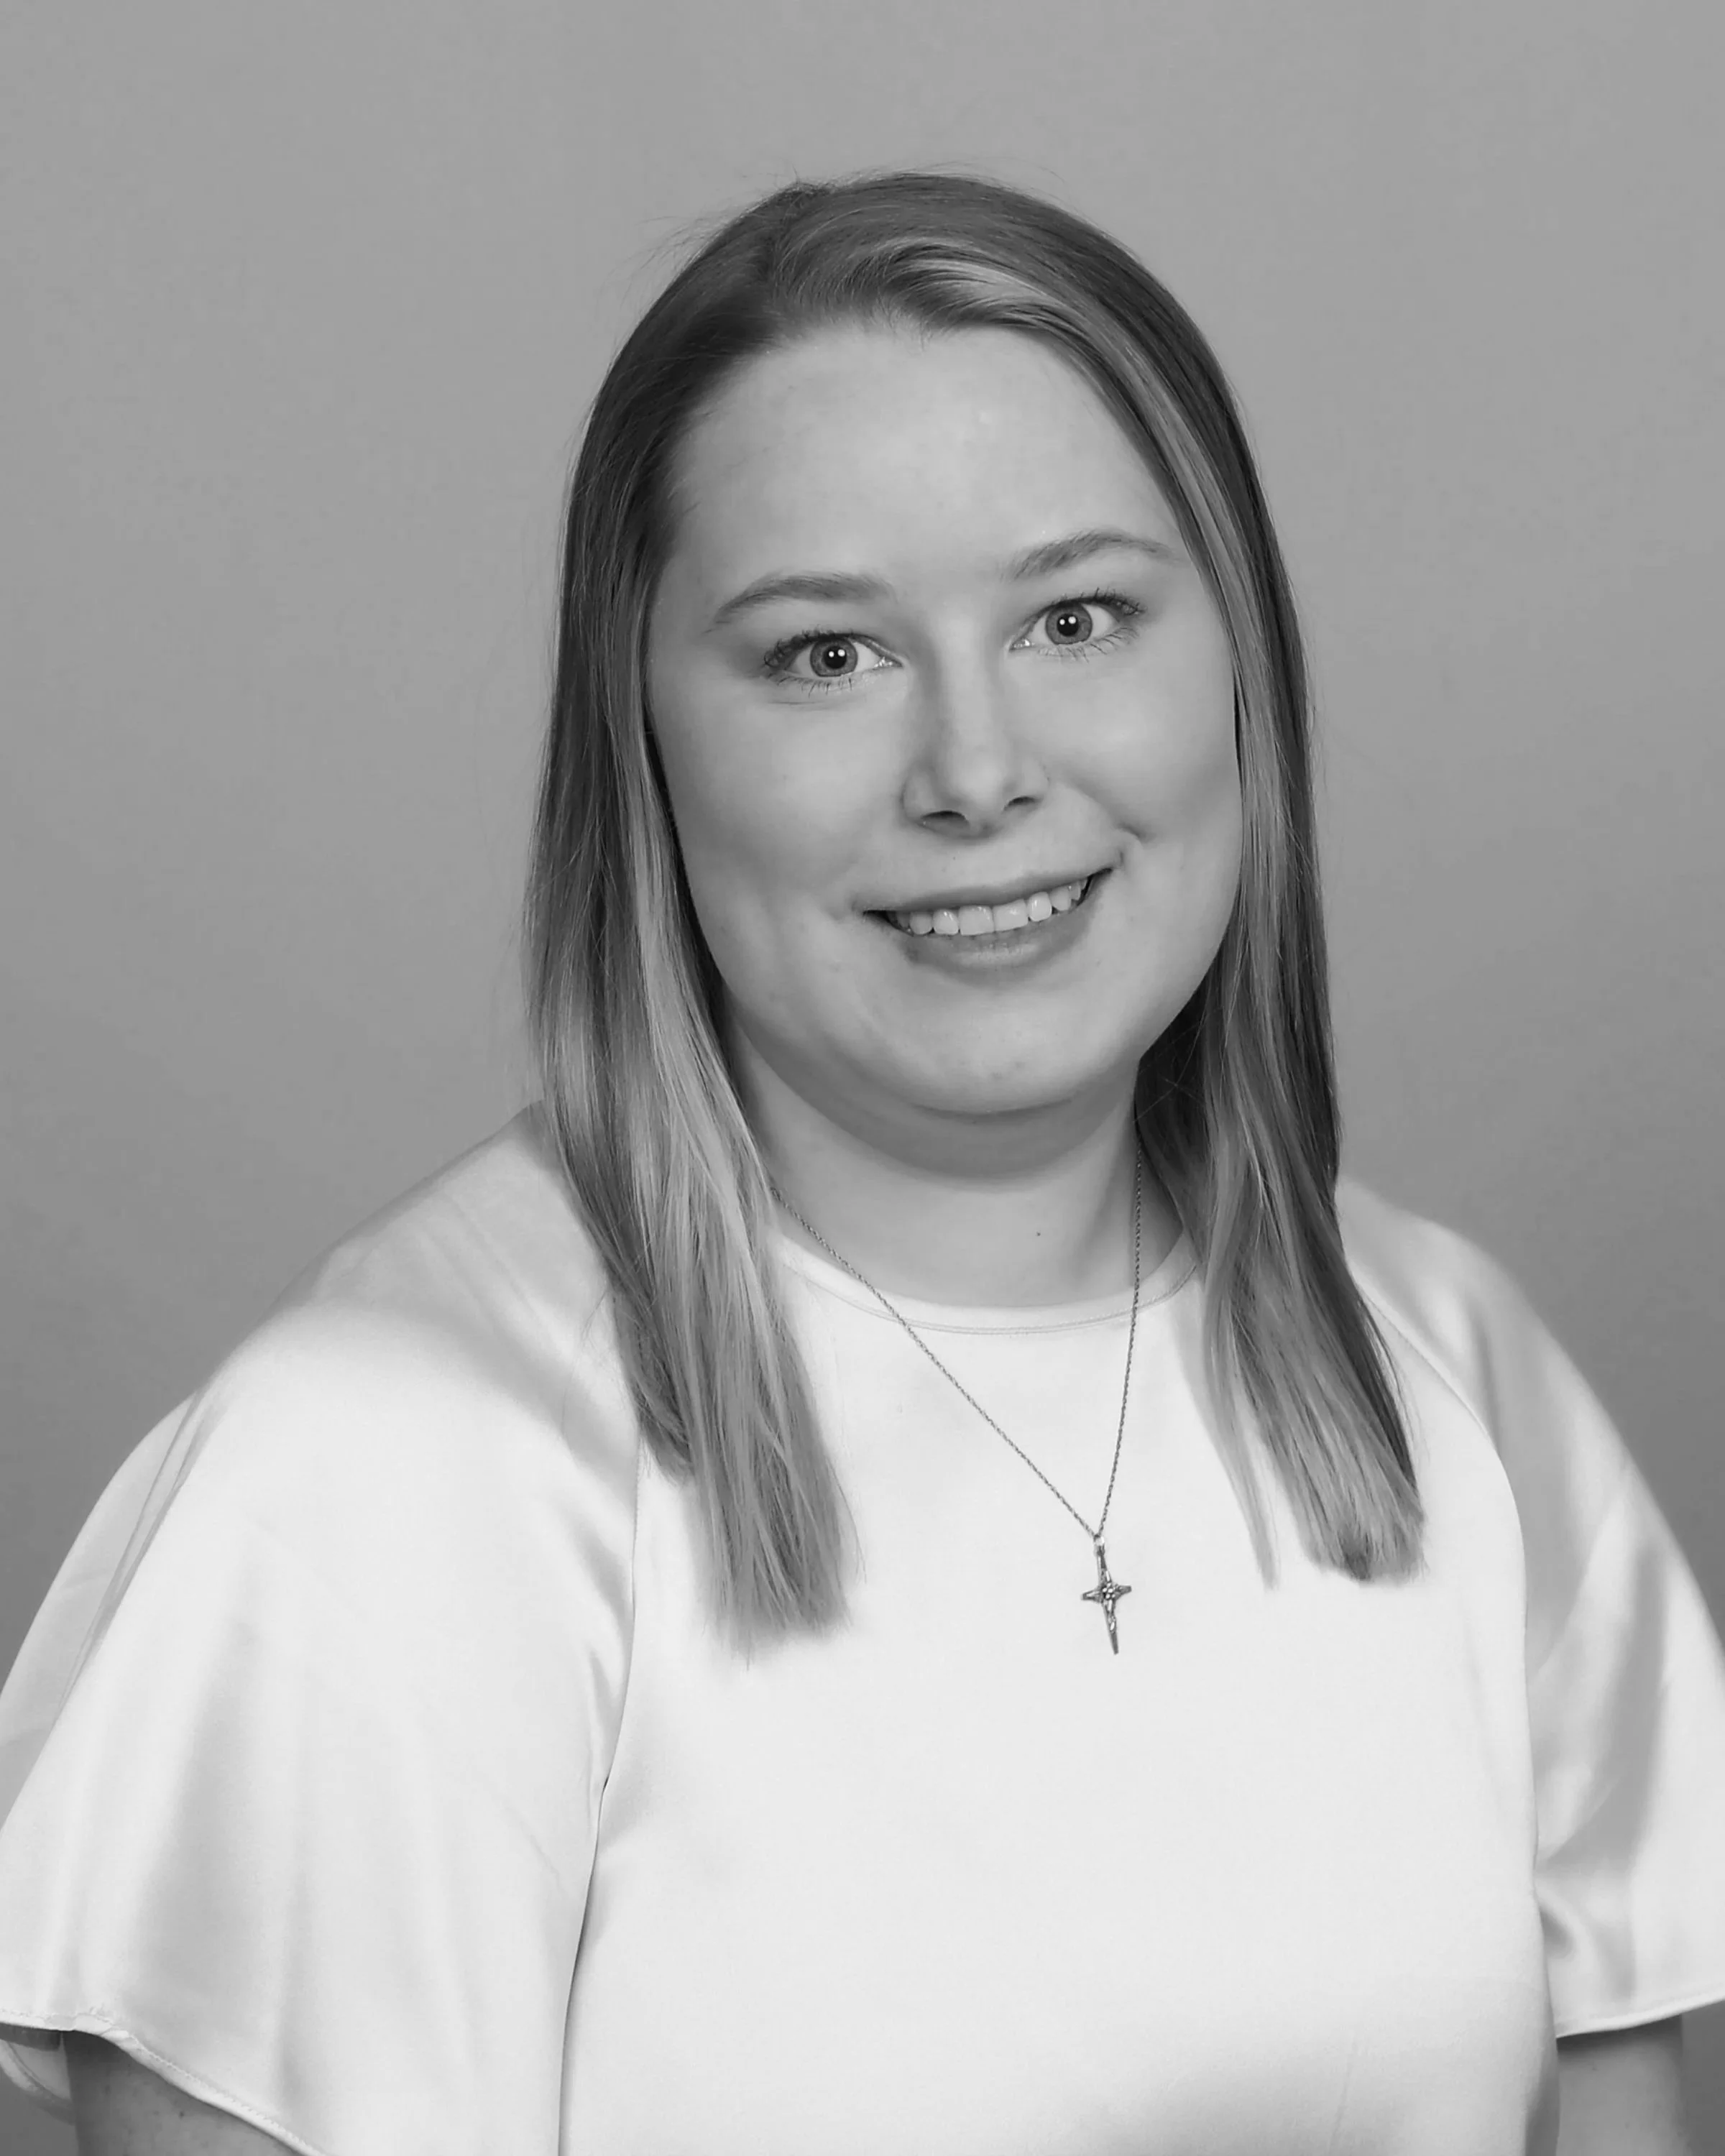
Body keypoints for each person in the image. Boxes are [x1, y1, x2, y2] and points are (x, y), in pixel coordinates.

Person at [0, 168, 1721, 2156]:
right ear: (641, 741)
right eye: (829, 656)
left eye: (1079, 617)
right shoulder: (382, 1473)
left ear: (1239, 674)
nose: (978, 773)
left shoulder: (1448, 1367)